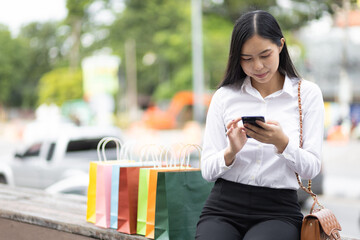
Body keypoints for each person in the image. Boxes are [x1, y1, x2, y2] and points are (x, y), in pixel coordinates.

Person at [195, 10, 324, 240]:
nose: (257, 66)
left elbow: (311, 168)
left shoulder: (307, 94)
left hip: (277, 209)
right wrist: (231, 151)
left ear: (281, 45)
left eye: (265, 55)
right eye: (247, 58)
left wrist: (282, 143)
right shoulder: (225, 96)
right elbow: (207, 170)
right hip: (224, 205)